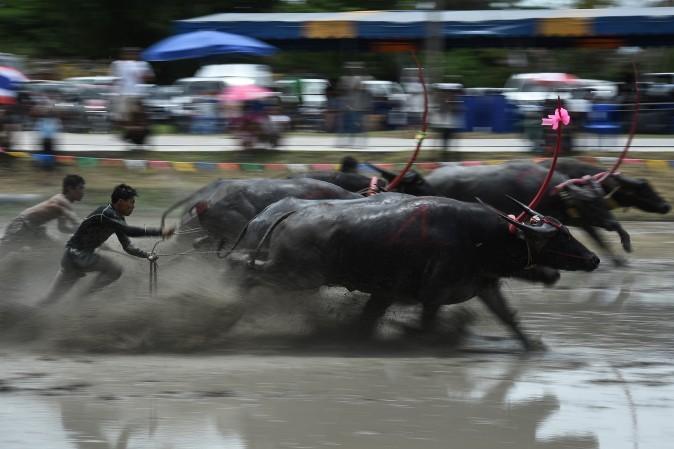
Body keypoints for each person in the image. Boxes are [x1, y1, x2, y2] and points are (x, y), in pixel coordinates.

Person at [40, 184, 175, 306]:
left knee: (53, 297)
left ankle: (58, 306)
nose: (133, 206)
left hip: (72, 256)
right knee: (114, 270)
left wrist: (146, 255)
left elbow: (127, 246)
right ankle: (81, 300)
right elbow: (130, 231)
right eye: (131, 203)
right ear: (120, 202)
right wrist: (160, 231)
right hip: (77, 255)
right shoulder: (107, 213)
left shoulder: (118, 219)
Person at [1, 174, 85, 252]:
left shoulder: (62, 205)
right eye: (80, 188)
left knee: (58, 250)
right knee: (3, 252)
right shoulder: (62, 201)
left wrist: (76, 230)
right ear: (70, 189)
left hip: (34, 230)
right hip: (22, 226)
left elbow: (62, 228)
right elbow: (77, 222)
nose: (82, 192)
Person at [109, 47, 154, 135]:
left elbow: (150, 76)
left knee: (139, 114)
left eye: (134, 54)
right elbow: (113, 78)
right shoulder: (118, 64)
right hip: (123, 93)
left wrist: (144, 76)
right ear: (124, 55)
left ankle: (139, 131)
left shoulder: (143, 64)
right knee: (124, 116)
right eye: (129, 53)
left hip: (138, 93)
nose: (132, 56)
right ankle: (128, 132)